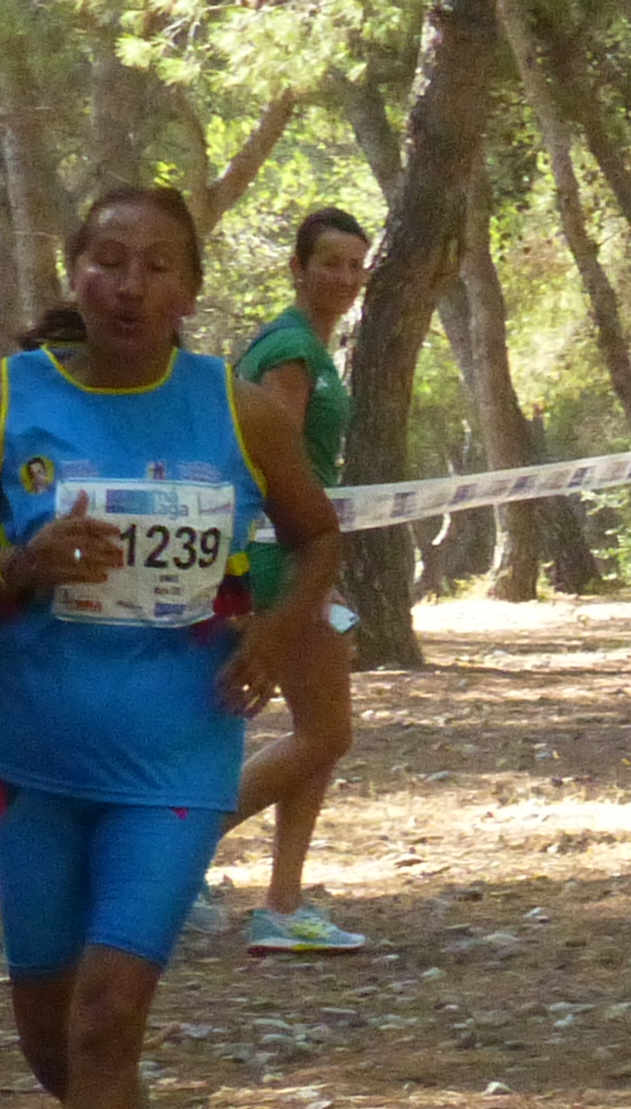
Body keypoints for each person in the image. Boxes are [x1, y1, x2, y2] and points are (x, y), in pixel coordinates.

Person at [0, 186, 342, 1109]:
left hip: (175, 750)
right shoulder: (17, 401)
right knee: (52, 1035)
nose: (130, 286)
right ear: (76, 273)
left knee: (110, 1015)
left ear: (190, 290)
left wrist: (276, 635)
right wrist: (17, 565)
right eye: (108, 261)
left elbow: (317, 533)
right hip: (32, 752)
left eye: (156, 266)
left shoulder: (236, 408)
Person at [191, 207, 373, 955]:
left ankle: (284, 905)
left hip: (294, 556)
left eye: (355, 265)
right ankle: (176, 849)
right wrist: (306, 578)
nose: (345, 278)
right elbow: (276, 467)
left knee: (318, 737)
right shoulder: (290, 351)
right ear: (298, 268)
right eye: (330, 262)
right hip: (278, 560)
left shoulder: (308, 347)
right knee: (328, 733)